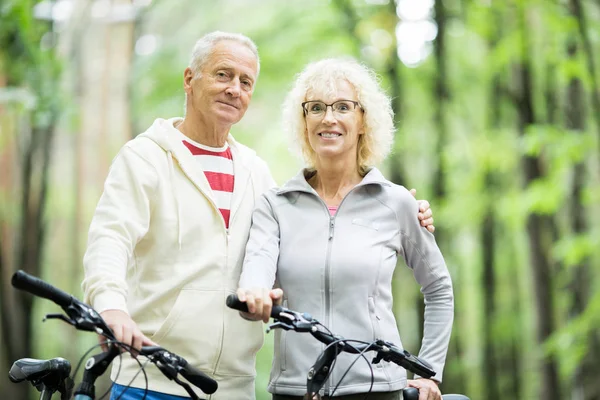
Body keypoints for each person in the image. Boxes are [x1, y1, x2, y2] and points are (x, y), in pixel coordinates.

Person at [82, 31, 435, 400]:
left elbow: (305, 240)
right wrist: (111, 307)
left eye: (245, 81)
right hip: (150, 378)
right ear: (190, 79)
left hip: (234, 388)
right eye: (223, 75)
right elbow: (110, 238)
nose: (234, 89)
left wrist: (390, 210)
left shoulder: (255, 172)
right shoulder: (145, 158)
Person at [237, 58, 453, 400]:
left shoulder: (396, 203)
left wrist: (429, 371)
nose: (328, 118)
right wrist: (254, 295)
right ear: (303, 120)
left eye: (342, 107)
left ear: (364, 120)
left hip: (377, 387)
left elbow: (439, 288)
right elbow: (256, 270)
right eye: (316, 108)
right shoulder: (274, 206)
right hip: (296, 389)